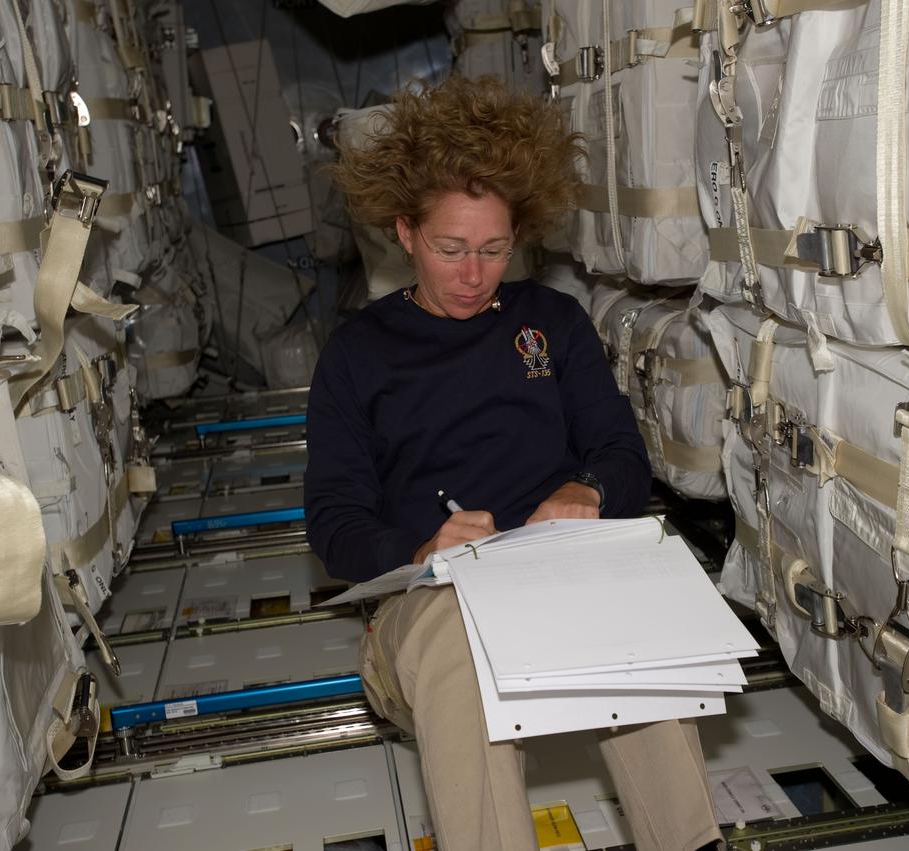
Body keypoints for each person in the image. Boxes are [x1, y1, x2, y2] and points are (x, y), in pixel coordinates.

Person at [306, 75, 723, 851]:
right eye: (451, 248)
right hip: (427, 607)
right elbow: (334, 523)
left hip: (556, 584)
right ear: (404, 232)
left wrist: (588, 489)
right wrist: (421, 547)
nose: (474, 274)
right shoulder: (356, 355)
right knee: (461, 648)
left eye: (495, 250)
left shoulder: (552, 323)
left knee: (637, 620)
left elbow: (622, 455)